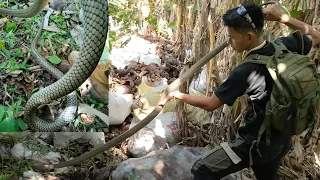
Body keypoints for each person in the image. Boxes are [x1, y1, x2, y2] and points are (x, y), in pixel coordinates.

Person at [159, 1, 320, 180]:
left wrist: (177, 95)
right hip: (281, 140)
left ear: (249, 37)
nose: (229, 43)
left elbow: (211, 104)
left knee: (202, 169)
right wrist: (283, 18)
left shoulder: (246, 70)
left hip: (256, 144)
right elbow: (315, 35)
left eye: (232, 37)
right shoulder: (283, 45)